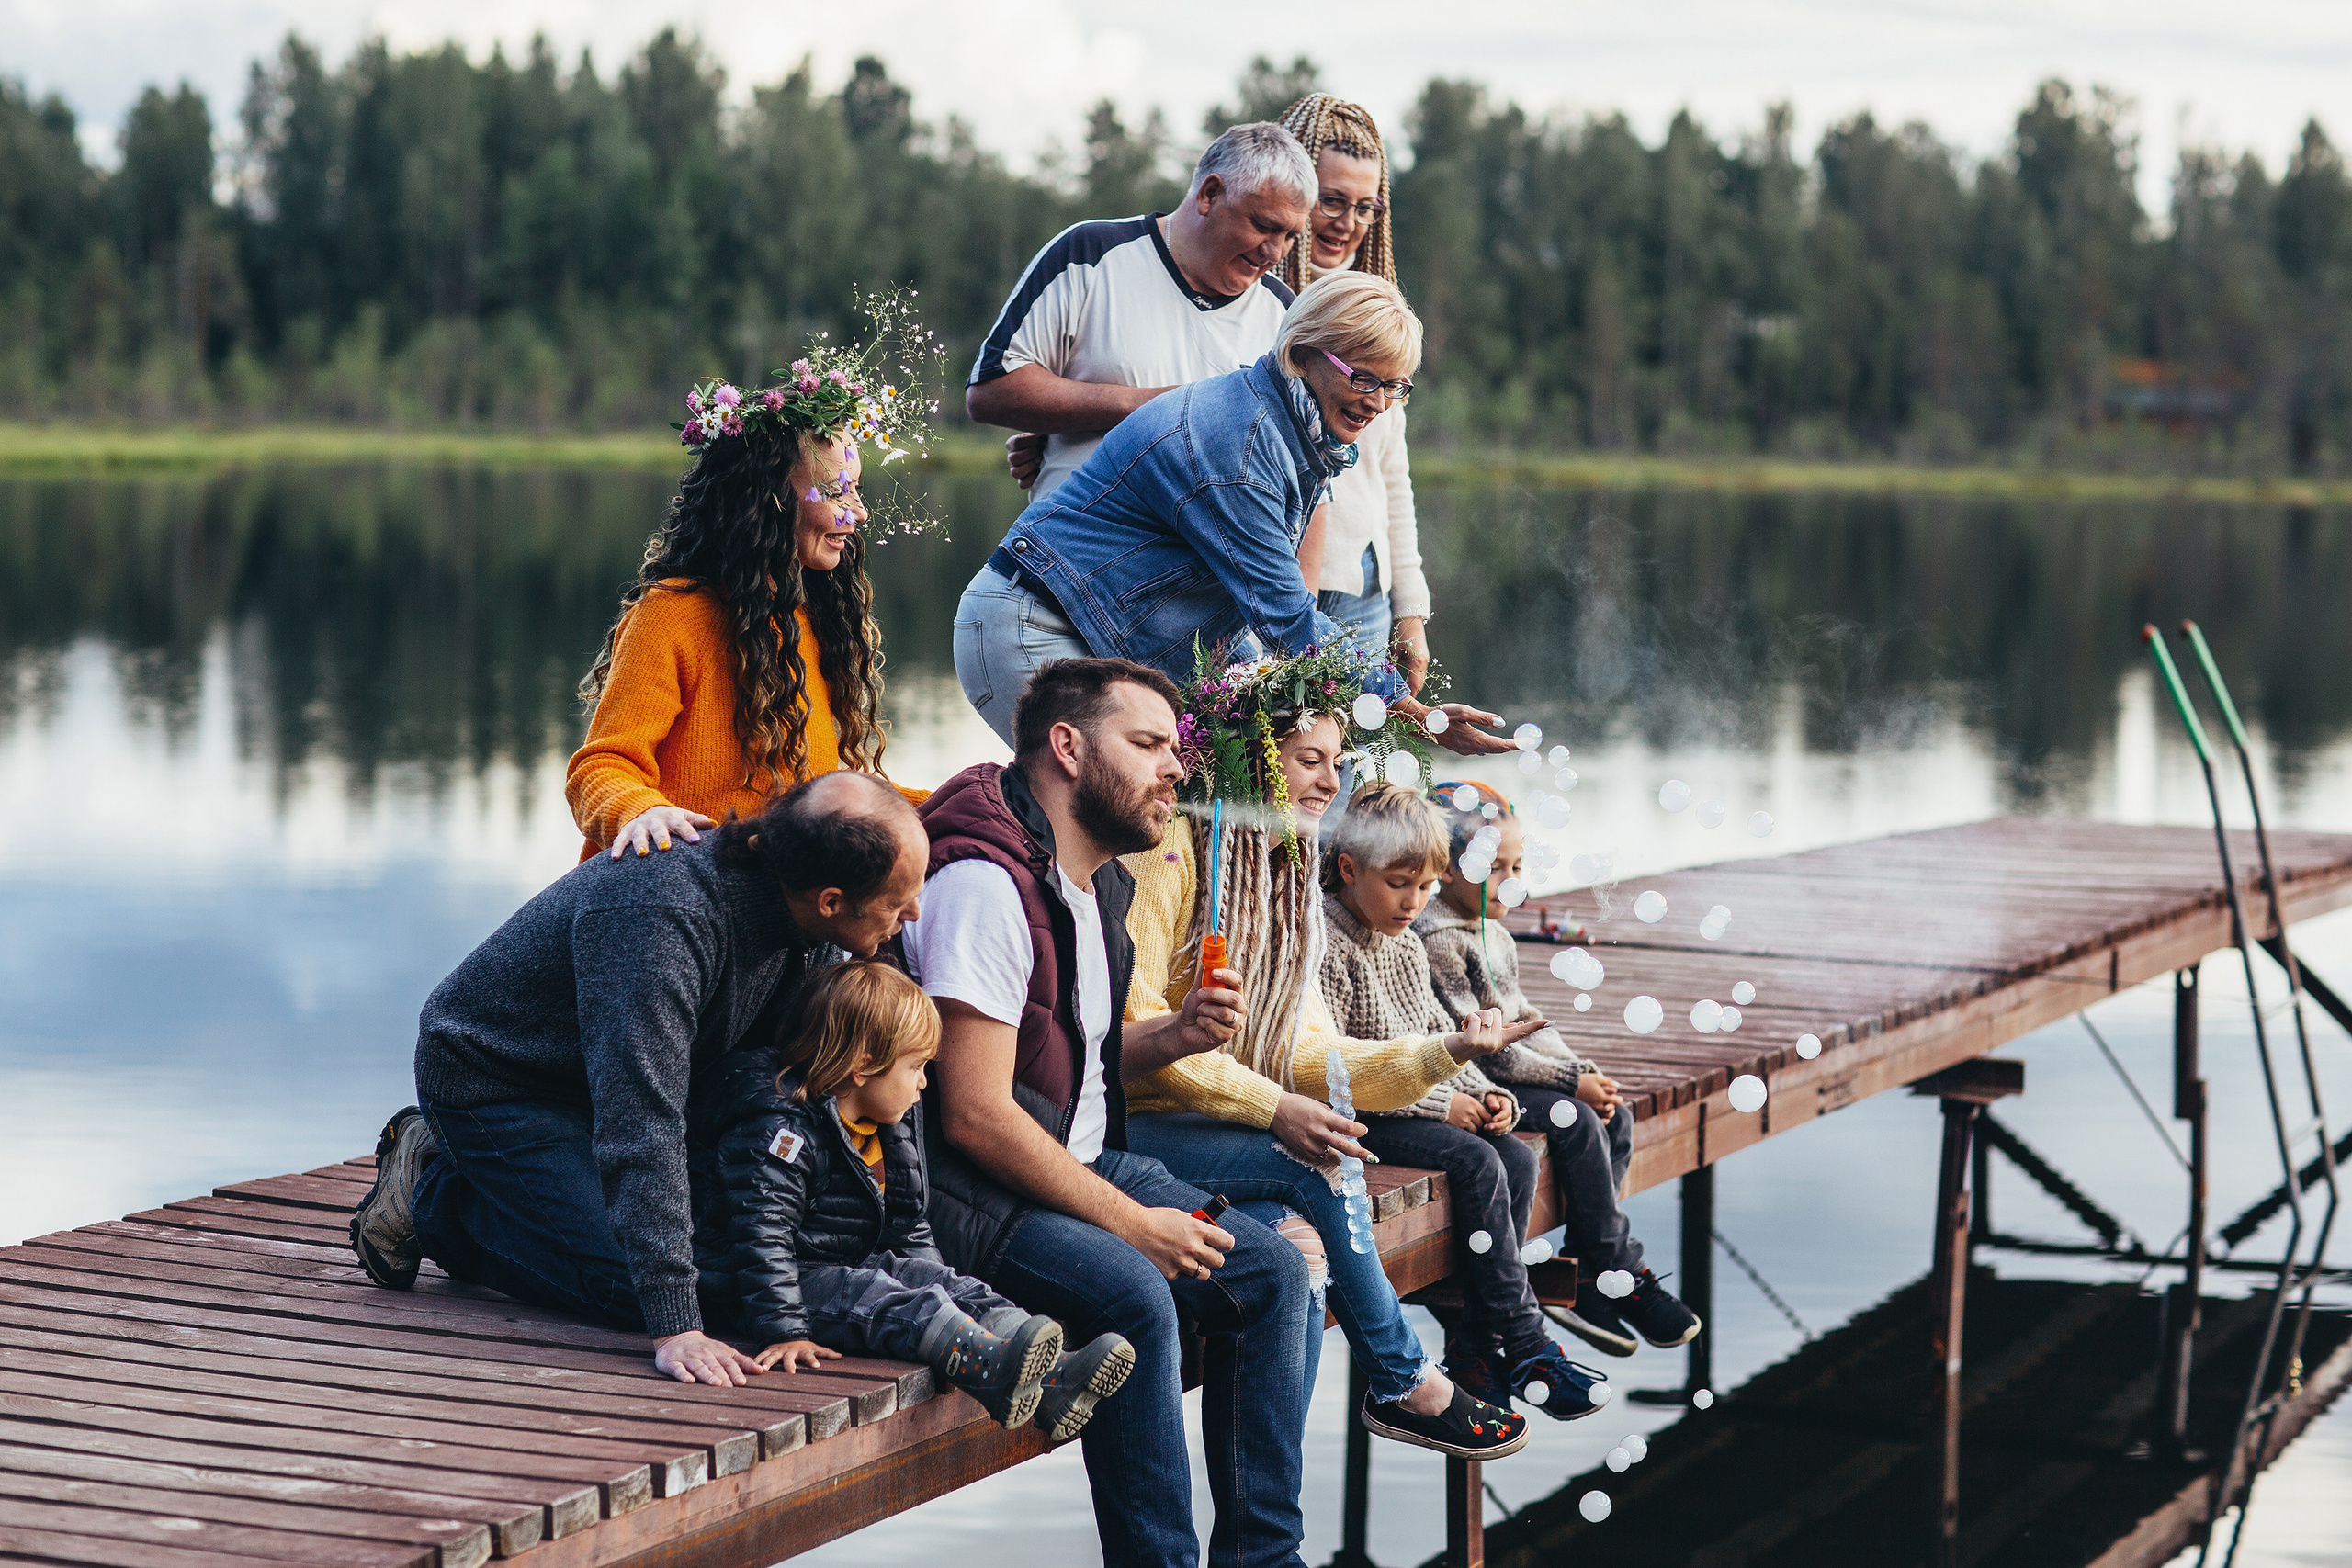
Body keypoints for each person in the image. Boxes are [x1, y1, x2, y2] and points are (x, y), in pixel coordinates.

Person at [898, 657, 1315, 1568]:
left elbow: (1057, 1054)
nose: (1177, 767)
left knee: (1273, 1273)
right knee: (1134, 1295)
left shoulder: (1095, 879)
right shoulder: (984, 886)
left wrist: (1172, 1036)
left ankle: (1265, 1558)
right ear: (1068, 749)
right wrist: (1135, 1225)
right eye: (1149, 745)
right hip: (971, 1195)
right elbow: (972, 1114)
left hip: (1074, 1157)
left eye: (1177, 746)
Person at [347, 772, 927, 1388]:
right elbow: (640, 1119)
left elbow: (768, 1088)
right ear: (832, 898)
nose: (914, 911)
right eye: (899, 900)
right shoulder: (662, 915)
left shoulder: (808, 921)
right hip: (501, 1082)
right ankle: (434, 1194)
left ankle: (496, 1182)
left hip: (607, 1081)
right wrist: (676, 1324)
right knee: (635, 1288)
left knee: (713, 1252)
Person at [1118, 646, 1535, 1461]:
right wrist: (1278, 1110)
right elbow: (1141, 1044)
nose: (1328, 781)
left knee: (1298, 1263)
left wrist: (1443, 1048)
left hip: (1220, 1134)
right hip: (1135, 1129)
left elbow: (1310, 1050)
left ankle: (1265, 1538)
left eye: (1336, 762)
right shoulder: (1167, 853)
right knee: (1313, 1174)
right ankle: (1399, 1376)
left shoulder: (1279, 865)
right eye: (1310, 760)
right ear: (1250, 753)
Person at [955, 267, 1517, 766]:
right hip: (1036, 623)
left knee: (1208, 796)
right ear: (1302, 354)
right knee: (1099, 808)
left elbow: (1254, 631)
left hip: (1101, 631)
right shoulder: (1241, 451)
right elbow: (1287, 620)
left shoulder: (1294, 429)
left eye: (1395, 387)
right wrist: (1410, 708)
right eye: (1363, 378)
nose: (1377, 402)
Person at [707, 960, 1134, 1438]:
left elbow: (910, 1227)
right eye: (915, 1067)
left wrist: (941, 1282)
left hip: (842, 1261)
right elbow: (760, 1237)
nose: (924, 1083)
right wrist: (784, 1329)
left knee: (943, 1285)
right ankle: (990, 1371)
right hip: (774, 1287)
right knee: (892, 1302)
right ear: (865, 1064)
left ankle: (1049, 1373)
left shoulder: (894, 1123)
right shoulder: (784, 1130)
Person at [569, 325, 935, 864]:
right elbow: (601, 767)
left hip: (767, 895)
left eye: (855, 490)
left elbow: (823, 792)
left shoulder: (813, 620)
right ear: (769, 501)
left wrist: (954, 802)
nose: (856, 513)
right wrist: (640, 810)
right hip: (665, 894)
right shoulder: (671, 614)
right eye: (836, 490)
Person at [1318, 782, 1612, 1421]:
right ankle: (1529, 1343)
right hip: (1356, 1118)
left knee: (1517, 1157)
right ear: (1348, 867)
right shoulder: (1330, 942)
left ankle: (1477, 1350)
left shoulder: (1401, 942)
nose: (1414, 903)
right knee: (1479, 1163)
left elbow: (1438, 1036)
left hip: (1414, 1099)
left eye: (1424, 887)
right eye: (1400, 884)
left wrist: (1488, 1094)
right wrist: (1441, 1108)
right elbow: (1336, 1071)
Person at [1418, 783, 1700, 1359]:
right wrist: (1571, 1085)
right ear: (1446, 869)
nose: (1512, 881)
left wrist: (1580, 1068)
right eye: (1495, 867)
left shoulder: (1491, 931)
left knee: (1612, 1116)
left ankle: (1596, 1275)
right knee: (1573, 1117)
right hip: (1471, 1077)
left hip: (1507, 1068)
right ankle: (1615, 1264)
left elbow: (1526, 1019)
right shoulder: (1441, 942)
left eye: (1517, 866)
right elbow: (1489, 1050)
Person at [970, 122, 1312, 504]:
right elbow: (992, 390)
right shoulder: (1090, 254)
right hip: (1073, 555)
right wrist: (1158, 407)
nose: (1277, 253)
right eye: (1264, 226)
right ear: (1210, 194)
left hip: (1208, 564)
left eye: (1291, 236)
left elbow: (1305, 480)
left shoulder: (1286, 315)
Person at [1275, 94, 1434, 694]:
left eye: (1366, 207)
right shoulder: (1254, 302)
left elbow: (1391, 474)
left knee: (1343, 778)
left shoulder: (1376, 303)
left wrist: (1409, 610)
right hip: (1286, 585)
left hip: (1366, 586)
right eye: (1332, 200)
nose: (1346, 222)